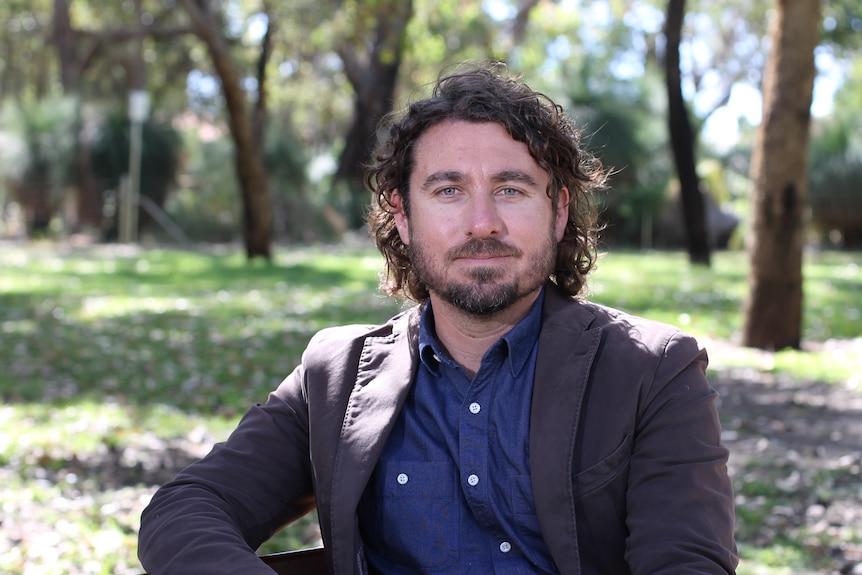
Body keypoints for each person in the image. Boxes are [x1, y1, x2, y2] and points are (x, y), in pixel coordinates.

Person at [138, 62, 738, 575]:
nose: (482, 223)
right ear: (402, 216)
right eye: (448, 190)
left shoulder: (652, 372)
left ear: (558, 212)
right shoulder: (337, 377)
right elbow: (186, 509)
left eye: (511, 189)